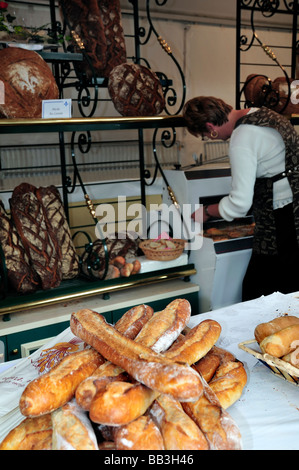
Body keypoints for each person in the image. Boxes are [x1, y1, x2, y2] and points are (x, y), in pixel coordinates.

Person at [183, 96, 299, 301]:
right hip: (293, 208)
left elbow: (239, 204)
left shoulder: (242, 137)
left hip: (282, 220)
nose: (210, 138)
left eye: (205, 135)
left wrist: (208, 211)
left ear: (211, 127)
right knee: (289, 286)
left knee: (258, 292)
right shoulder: (261, 113)